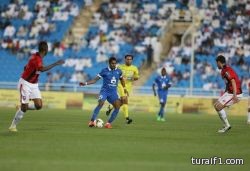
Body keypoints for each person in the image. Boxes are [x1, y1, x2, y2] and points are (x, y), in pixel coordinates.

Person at [9, 41, 64, 132]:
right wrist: (55, 64)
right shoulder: (37, 59)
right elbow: (41, 69)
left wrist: (28, 69)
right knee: (24, 108)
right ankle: (13, 126)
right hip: (25, 83)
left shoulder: (36, 57)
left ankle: (23, 106)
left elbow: (25, 67)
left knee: (39, 105)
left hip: (34, 84)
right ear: (45, 50)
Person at [79, 57, 127, 128]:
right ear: (109, 63)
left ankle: (108, 123)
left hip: (113, 93)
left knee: (117, 107)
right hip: (104, 91)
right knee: (101, 103)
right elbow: (95, 80)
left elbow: (122, 79)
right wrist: (85, 83)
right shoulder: (104, 71)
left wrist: (124, 87)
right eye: (112, 63)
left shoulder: (119, 71)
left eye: (115, 63)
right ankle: (92, 121)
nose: (114, 65)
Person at [106, 54, 139, 124]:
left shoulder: (134, 68)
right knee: (124, 99)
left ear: (132, 60)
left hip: (128, 87)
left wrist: (131, 78)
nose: (129, 60)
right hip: (120, 85)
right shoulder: (120, 66)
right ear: (125, 59)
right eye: (127, 59)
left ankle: (111, 107)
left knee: (121, 101)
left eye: (130, 59)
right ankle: (127, 118)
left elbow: (137, 77)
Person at [214, 55, 243, 133]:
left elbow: (233, 81)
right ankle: (226, 125)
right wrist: (225, 94)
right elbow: (228, 83)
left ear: (219, 63)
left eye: (216, 63)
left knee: (218, 107)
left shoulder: (226, 70)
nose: (216, 65)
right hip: (229, 92)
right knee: (216, 105)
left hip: (235, 93)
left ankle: (226, 126)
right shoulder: (223, 71)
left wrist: (234, 95)